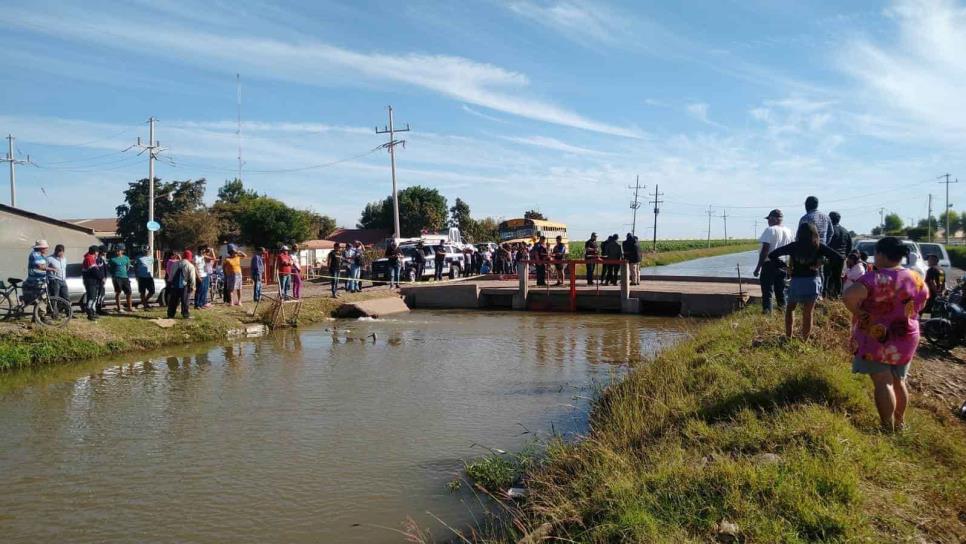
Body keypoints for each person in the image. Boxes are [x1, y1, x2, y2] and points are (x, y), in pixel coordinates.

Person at [843, 237, 928, 432]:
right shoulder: (915, 277)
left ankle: (886, 427)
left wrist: (860, 313)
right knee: (899, 380)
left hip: (878, 335)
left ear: (880, 254)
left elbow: (848, 296)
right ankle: (900, 424)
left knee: (883, 381)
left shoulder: (875, 278)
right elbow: (922, 301)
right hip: (906, 334)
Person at [768, 222, 843, 340]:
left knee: (790, 309)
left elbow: (772, 255)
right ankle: (805, 340)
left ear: (799, 233)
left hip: (797, 281)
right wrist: (822, 262)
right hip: (813, 281)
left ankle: (789, 336)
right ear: (814, 233)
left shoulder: (794, 246)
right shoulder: (818, 246)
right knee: (808, 313)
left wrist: (785, 266)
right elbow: (838, 258)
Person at [753, 209, 794, 313]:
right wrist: (790, 267)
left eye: (769, 219)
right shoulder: (789, 231)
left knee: (767, 293)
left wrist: (758, 268)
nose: (768, 221)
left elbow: (765, 250)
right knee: (781, 292)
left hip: (769, 265)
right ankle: (784, 315)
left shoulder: (770, 230)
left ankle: (767, 316)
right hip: (783, 265)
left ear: (774, 219)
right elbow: (792, 250)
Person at [824, 211, 852, 298]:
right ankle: (837, 295)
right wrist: (845, 255)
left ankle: (825, 294)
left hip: (830, 257)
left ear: (830, 219)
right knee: (837, 277)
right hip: (841, 257)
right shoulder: (845, 231)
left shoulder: (829, 230)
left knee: (826, 276)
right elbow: (849, 246)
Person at [109, 243, 134, 313]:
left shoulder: (126, 258)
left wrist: (124, 272)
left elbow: (128, 267)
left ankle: (130, 307)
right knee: (118, 292)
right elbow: (110, 269)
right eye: (116, 250)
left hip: (125, 277)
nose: (117, 251)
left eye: (118, 250)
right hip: (116, 278)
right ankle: (119, 308)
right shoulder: (112, 259)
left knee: (129, 292)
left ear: (122, 251)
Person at [166, 253, 191, 319]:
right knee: (184, 301)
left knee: (173, 301)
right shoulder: (189, 265)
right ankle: (185, 315)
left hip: (174, 286)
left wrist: (169, 284)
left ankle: (170, 315)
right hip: (184, 286)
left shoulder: (174, 264)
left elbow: (170, 276)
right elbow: (192, 278)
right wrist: (193, 287)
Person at [25, 239, 49, 305]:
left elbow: (45, 265)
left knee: (42, 297)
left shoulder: (42, 255)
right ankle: (39, 313)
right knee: (40, 298)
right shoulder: (34, 255)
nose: (47, 249)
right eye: (46, 248)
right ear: (41, 248)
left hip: (41, 280)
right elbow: (40, 266)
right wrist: (51, 269)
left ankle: (39, 312)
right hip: (35, 281)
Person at [81, 245, 102, 320]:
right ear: (95, 252)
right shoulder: (89, 258)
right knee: (91, 297)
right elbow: (94, 271)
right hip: (90, 281)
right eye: (97, 251)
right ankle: (90, 314)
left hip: (91, 281)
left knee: (92, 297)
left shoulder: (90, 258)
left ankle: (92, 312)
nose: (98, 253)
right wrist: (100, 277)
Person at [95, 246, 109, 315]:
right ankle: (97, 310)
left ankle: (99, 308)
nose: (106, 253)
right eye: (104, 252)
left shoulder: (103, 259)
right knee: (98, 295)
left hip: (103, 280)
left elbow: (105, 269)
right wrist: (101, 278)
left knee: (102, 294)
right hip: (98, 280)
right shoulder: (97, 259)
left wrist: (105, 277)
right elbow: (97, 270)